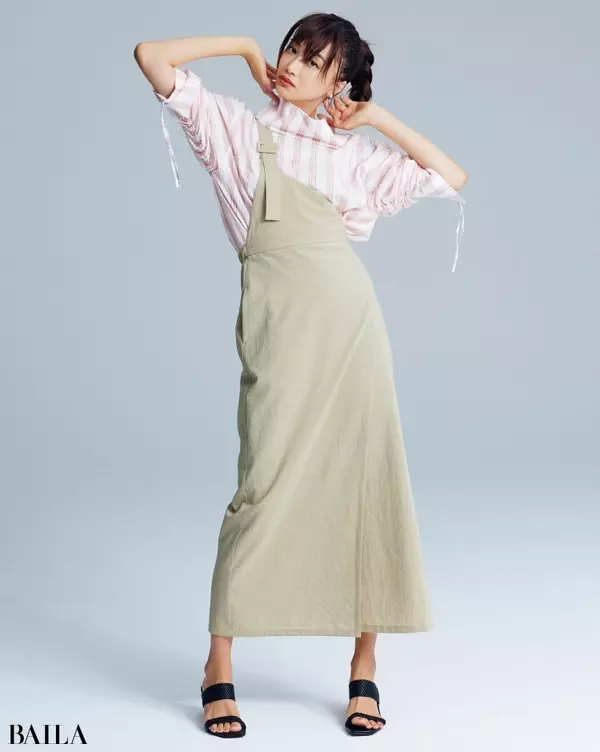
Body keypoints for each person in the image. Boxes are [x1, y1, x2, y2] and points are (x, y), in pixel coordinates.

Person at [134, 12, 467, 740]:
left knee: (368, 485)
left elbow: (452, 176)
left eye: (314, 62)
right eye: (291, 49)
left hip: (352, 333)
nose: (292, 64)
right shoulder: (235, 129)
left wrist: (374, 118)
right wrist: (243, 49)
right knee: (261, 485)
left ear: (337, 83)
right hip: (280, 332)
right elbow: (151, 56)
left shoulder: (350, 158)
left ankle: (364, 664)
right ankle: (217, 663)